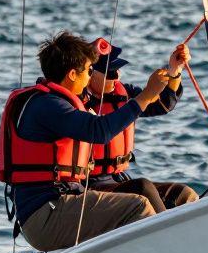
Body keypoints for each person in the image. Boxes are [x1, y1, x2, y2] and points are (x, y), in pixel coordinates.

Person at [0, 32, 179, 252]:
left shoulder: (60, 101)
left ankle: (186, 245)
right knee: (137, 206)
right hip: (46, 215)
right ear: (73, 74)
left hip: (63, 203)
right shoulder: (48, 106)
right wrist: (146, 95)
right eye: (89, 71)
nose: (90, 77)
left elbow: (157, 106)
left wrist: (172, 75)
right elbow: (98, 131)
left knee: (180, 196)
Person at [81, 38, 198, 212]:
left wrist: (174, 70)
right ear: (90, 73)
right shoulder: (76, 103)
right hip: (89, 186)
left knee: (182, 194)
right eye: (110, 73)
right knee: (142, 189)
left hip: (118, 178)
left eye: (118, 70)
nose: (117, 76)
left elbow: (162, 104)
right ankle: (169, 231)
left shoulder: (125, 93)